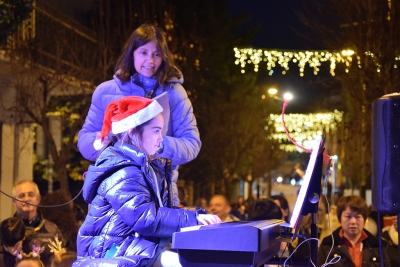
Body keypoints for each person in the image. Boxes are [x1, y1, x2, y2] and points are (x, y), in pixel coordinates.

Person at [73, 96, 220, 267]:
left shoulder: (146, 166)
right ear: (133, 132)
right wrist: (193, 218)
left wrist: (195, 217)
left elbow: (160, 214)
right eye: (156, 131)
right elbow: (146, 219)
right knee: (186, 263)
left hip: (135, 246)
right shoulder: (123, 172)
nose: (161, 137)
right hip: (113, 253)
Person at [77, 23, 201, 207]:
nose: (150, 60)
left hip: (160, 195)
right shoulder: (105, 91)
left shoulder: (176, 93)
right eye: (143, 52)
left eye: (157, 54)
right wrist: (100, 142)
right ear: (131, 53)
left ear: (164, 57)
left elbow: (192, 144)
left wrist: (157, 144)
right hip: (114, 194)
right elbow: (84, 141)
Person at [1, 181, 65, 267]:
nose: (26, 199)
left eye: (31, 195)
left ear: (38, 199)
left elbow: (63, 260)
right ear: (14, 201)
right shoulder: (3, 229)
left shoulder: (52, 230)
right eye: (21, 196)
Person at [318, 195, 390, 267]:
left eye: (358, 217)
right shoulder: (328, 245)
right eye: (348, 216)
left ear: (364, 219)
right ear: (340, 218)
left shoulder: (376, 245)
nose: (353, 221)